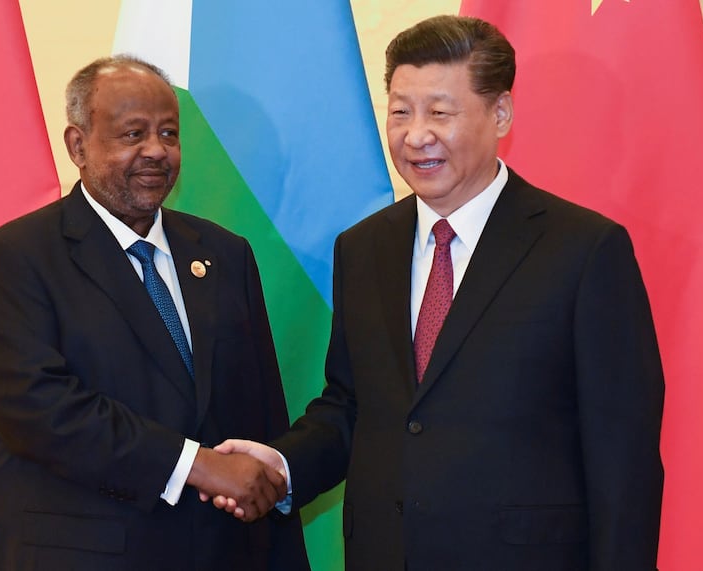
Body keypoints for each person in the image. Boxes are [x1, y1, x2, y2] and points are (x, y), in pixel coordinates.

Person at [214, 15, 664, 571]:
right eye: (400, 111)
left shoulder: (584, 250)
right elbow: (352, 406)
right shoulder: (363, 248)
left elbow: (624, 456)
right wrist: (282, 465)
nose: (415, 134)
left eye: (440, 112)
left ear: (500, 113)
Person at [0, 55, 309, 571]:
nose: (156, 151)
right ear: (78, 145)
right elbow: (41, 411)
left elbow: (260, 413)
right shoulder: (14, 258)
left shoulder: (225, 254)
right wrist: (197, 465)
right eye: (132, 134)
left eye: (169, 133)